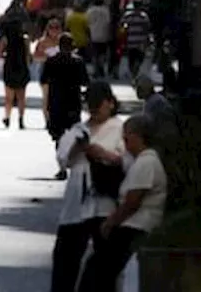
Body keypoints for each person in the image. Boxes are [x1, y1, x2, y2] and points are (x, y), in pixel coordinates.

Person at [49, 81, 124, 292]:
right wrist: (78, 148)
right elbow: (63, 159)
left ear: (110, 103)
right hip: (76, 205)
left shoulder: (120, 129)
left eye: (98, 105)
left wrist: (103, 155)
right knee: (65, 261)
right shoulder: (78, 130)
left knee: (103, 265)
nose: (94, 110)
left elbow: (127, 161)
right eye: (90, 105)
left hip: (105, 204)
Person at [80, 115, 167, 292]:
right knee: (98, 270)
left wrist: (110, 222)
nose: (124, 141)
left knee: (98, 271)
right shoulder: (139, 161)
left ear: (137, 136)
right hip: (131, 226)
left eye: (127, 137)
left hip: (136, 228)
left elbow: (132, 202)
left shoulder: (147, 162)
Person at [42, 34, 90, 179]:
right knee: (74, 134)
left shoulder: (51, 61)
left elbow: (44, 79)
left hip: (56, 102)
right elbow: (85, 81)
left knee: (58, 137)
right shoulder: (78, 61)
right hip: (73, 103)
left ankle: (62, 168)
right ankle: (73, 164)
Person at [0, 14, 33, 129]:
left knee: (9, 97)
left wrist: (6, 55)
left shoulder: (5, 39)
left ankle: (7, 117)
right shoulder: (25, 39)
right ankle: (21, 119)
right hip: (22, 68)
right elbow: (28, 55)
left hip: (10, 67)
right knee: (21, 96)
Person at [86, 0, 113, 76]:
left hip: (93, 35)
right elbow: (108, 23)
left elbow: (87, 23)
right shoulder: (106, 11)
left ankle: (95, 70)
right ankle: (101, 69)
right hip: (103, 35)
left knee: (95, 54)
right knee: (102, 54)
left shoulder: (90, 11)